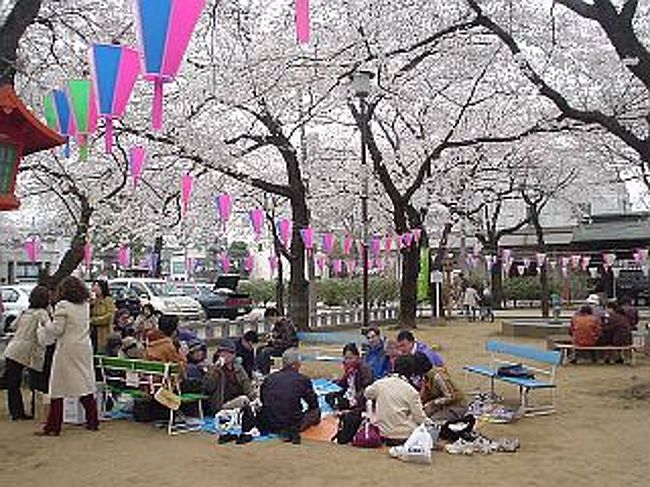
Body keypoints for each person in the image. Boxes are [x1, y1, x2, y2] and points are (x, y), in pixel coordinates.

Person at [39, 276, 98, 436]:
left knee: (57, 387)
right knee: (84, 383)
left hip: (67, 348)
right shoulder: (85, 305)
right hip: (84, 347)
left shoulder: (62, 305)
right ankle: (93, 420)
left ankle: (53, 426)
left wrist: (45, 322)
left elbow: (57, 330)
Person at [2, 285, 52, 420]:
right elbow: (49, 327)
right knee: (33, 381)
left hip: (12, 349)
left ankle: (16, 413)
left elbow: (13, 326)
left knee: (12, 383)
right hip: (26, 351)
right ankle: (27, 412)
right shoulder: (42, 313)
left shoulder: (26, 311)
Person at [258, 348, 320, 444]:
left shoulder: (269, 378)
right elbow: (313, 404)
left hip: (269, 422)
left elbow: (263, 399)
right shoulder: (303, 380)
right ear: (295, 364)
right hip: (292, 423)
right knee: (316, 412)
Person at [364, 354, 426, 446]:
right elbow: (420, 418)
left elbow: (367, 394)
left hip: (382, 432)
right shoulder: (411, 391)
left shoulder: (380, 384)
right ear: (411, 372)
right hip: (405, 435)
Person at [202, 339, 255, 414]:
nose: (224, 355)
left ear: (233, 355)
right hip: (222, 404)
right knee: (243, 399)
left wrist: (254, 397)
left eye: (228, 353)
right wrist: (214, 370)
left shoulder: (238, 368)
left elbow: (246, 385)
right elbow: (208, 388)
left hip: (237, 400)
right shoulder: (215, 370)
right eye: (222, 352)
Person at [412, 352, 464, 420]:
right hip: (441, 405)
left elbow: (451, 397)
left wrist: (433, 403)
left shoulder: (438, 377)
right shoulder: (427, 376)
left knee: (431, 420)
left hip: (456, 407)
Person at [326, 343, 373, 411]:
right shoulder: (349, 369)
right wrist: (336, 382)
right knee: (329, 396)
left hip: (358, 399)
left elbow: (366, 388)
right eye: (346, 358)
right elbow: (344, 384)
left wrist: (355, 400)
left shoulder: (365, 369)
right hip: (349, 395)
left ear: (357, 357)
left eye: (350, 358)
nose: (348, 361)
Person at [256, 307, 299, 375]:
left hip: (288, 347)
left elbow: (288, 341)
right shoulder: (277, 325)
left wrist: (274, 340)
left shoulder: (286, 324)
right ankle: (258, 371)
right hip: (279, 346)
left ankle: (265, 374)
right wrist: (270, 337)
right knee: (259, 349)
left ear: (275, 315)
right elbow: (275, 336)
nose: (270, 322)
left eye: (270, 319)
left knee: (265, 352)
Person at [89, 280, 116, 353]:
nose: (95, 289)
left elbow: (109, 316)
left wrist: (94, 320)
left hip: (104, 332)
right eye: (93, 286)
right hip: (92, 332)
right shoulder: (92, 301)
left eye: (97, 287)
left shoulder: (108, 300)